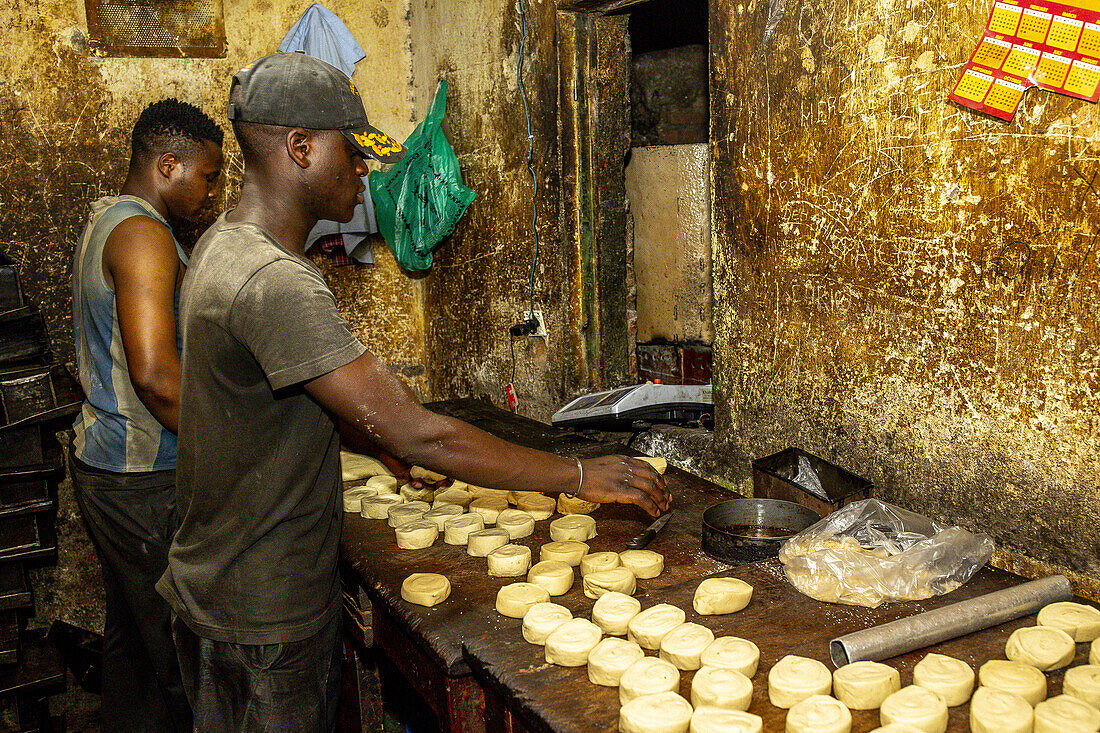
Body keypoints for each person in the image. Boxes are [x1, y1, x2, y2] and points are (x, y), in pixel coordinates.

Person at [156, 52, 670, 732]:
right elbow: (420, 431)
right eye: (355, 151)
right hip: (263, 614)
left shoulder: (222, 245)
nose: (367, 170)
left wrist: (368, 436)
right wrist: (578, 474)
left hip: (216, 584)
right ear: (301, 148)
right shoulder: (275, 281)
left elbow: (273, 394)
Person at [70, 98, 223, 732]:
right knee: (179, 656)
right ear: (167, 164)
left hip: (106, 465)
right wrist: (228, 447)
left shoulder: (108, 219)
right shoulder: (143, 237)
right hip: (141, 476)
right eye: (208, 176)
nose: (211, 192)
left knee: (131, 643)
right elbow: (158, 380)